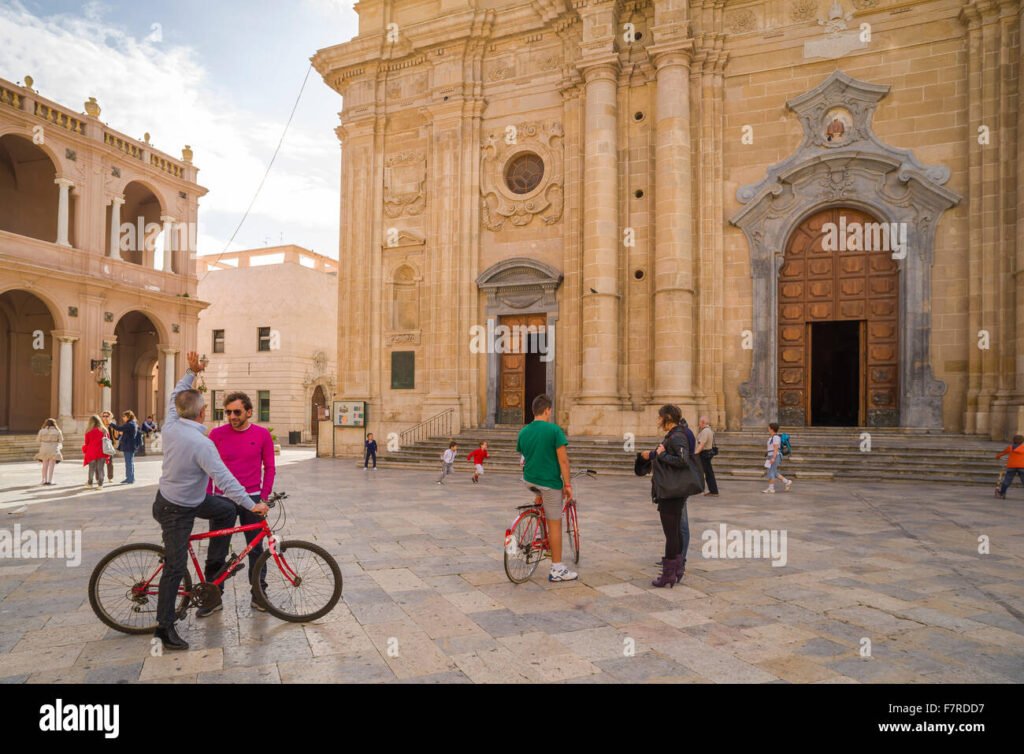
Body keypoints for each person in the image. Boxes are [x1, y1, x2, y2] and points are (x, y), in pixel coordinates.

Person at [152, 352, 269, 651]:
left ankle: (215, 579)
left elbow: (176, 394)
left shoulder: (170, 425)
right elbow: (225, 479)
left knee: (226, 509)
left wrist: (191, 372)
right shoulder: (202, 443)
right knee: (175, 567)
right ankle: (164, 628)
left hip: (183, 499)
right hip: (177, 509)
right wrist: (252, 504)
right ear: (202, 413)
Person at [206, 391, 276, 613]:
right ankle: (212, 598)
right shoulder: (216, 434)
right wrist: (208, 495)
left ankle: (259, 594)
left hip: (252, 499)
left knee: (256, 549)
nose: (232, 416)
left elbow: (270, 467)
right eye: (228, 412)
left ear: (249, 412)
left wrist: (264, 496)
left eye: (237, 412)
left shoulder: (262, 434)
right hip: (222, 499)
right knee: (217, 549)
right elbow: (207, 467)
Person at [516, 394, 576, 582]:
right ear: (547, 410)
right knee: (555, 525)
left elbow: (524, 455)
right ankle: (557, 569)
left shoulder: (523, 432)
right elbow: (563, 461)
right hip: (549, 483)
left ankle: (538, 528)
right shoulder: (554, 430)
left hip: (529, 480)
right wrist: (567, 485)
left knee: (540, 497)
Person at [641, 405, 693, 587]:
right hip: (672, 490)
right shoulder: (674, 435)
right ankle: (676, 569)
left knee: (671, 533)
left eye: (660, 417)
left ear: (668, 418)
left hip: (672, 491)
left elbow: (683, 460)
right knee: (675, 532)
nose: (658, 420)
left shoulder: (677, 436)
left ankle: (668, 574)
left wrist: (661, 455)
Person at [110, 410, 139, 484]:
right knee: (129, 462)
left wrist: (111, 423)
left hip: (129, 446)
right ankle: (129, 478)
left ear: (128, 416)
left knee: (129, 463)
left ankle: (130, 479)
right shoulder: (132, 423)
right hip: (130, 446)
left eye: (124, 416)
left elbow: (119, 428)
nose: (123, 418)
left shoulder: (130, 424)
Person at [763, 422, 793, 494]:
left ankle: (771, 489)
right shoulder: (772, 437)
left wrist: (773, 458)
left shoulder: (776, 437)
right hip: (771, 455)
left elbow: (776, 448)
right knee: (774, 472)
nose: (768, 428)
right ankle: (787, 482)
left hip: (775, 456)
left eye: (769, 427)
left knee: (771, 472)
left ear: (772, 429)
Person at [82, 415, 109, 488]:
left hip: (91, 452)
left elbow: (86, 442)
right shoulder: (104, 430)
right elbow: (108, 440)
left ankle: (90, 484)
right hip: (102, 451)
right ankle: (100, 485)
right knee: (100, 468)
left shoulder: (88, 431)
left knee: (91, 469)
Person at [694, 415, 719, 497]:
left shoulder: (705, 431)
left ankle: (713, 491)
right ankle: (713, 490)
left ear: (703, 422)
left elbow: (701, 444)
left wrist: (695, 454)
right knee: (708, 473)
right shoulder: (709, 430)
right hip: (707, 453)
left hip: (704, 454)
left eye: (700, 422)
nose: (699, 424)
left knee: (706, 473)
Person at [35, 418, 63, 485]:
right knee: (52, 466)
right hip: (53, 448)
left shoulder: (42, 431)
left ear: (46, 423)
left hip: (44, 448)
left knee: (44, 465)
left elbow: (38, 440)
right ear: (54, 424)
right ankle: (50, 480)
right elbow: (61, 440)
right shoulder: (58, 431)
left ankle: (44, 480)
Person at [996, 434, 1024, 499]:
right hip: (1022, 466)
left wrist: (997, 457)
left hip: (1011, 466)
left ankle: (1002, 493)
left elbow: (1002, 453)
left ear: (1013, 440)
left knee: (1007, 480)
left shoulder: (1010, 447)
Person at [99, 411, 118, 483]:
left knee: (110, 462)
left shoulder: (112, 426)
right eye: (104, 416)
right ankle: (101, 477)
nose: (105, 417)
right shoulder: (100, 425)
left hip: (110, 445)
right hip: (101, 445)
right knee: (100, 462)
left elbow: (116, 437)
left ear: (110, 417)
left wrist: (115, 429)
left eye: (107, 416)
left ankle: (110, 477)